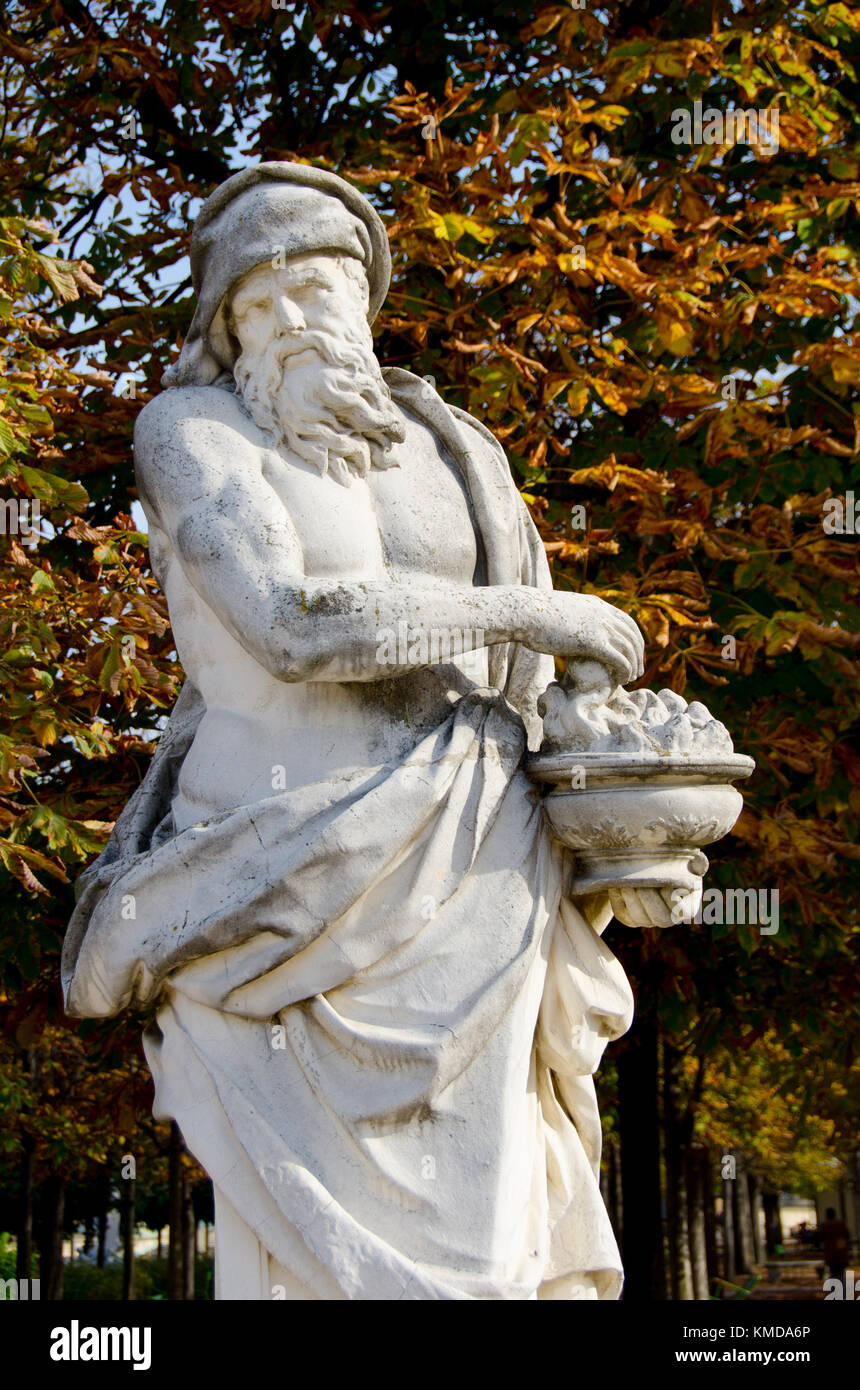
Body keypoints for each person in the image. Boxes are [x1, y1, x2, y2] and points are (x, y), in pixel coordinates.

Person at [62, 162, 646, 1300]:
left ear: (364, 301)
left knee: (490, 1206)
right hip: (274, 873)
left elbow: (527, 691)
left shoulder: (457, 448)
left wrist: (616, 820)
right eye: (255, 302)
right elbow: (289, 624)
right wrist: (533, 608)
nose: (287, 319)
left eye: (313, 289)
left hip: (473, 849)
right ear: (223, 328)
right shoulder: (191, 433)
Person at [820, 1208, 851, 1297]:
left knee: (833, 1273)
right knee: (841, 1273)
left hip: (831, 1255)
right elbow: (847, 1235)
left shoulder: (824, 1225)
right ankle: (843, 1293)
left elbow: (820, 1238)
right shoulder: (841, 1224)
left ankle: (834, 1293)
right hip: (841, 1254)